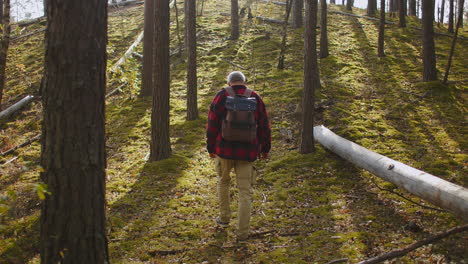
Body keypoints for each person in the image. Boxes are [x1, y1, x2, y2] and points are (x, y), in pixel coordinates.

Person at [206, 71, 271, 241]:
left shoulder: (221, 96)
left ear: (229, 83)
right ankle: (242, 233)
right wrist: (265, 149)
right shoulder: (255, 97)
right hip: (248, 152)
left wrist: (210, 147)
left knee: (224, 182)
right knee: (245, 192)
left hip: (224, 151)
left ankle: (224, 219)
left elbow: (212, 122)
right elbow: (264, 125)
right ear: (244, 82)